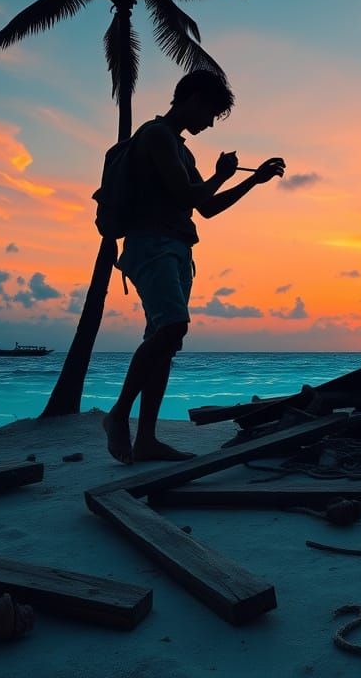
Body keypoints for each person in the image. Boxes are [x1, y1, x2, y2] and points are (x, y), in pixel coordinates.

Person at [103, 70, 285, 464]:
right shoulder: (156, 136)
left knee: (165, 342)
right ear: (193, 99)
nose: (210, 123)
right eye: (211, 113)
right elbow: (190, 193)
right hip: (152, 245)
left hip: (177, 248)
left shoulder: (182, 151)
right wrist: (220, 175)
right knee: (171, 329)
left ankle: (147, 439)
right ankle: (118, 415)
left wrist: (252, 182)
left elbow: (206, 207)